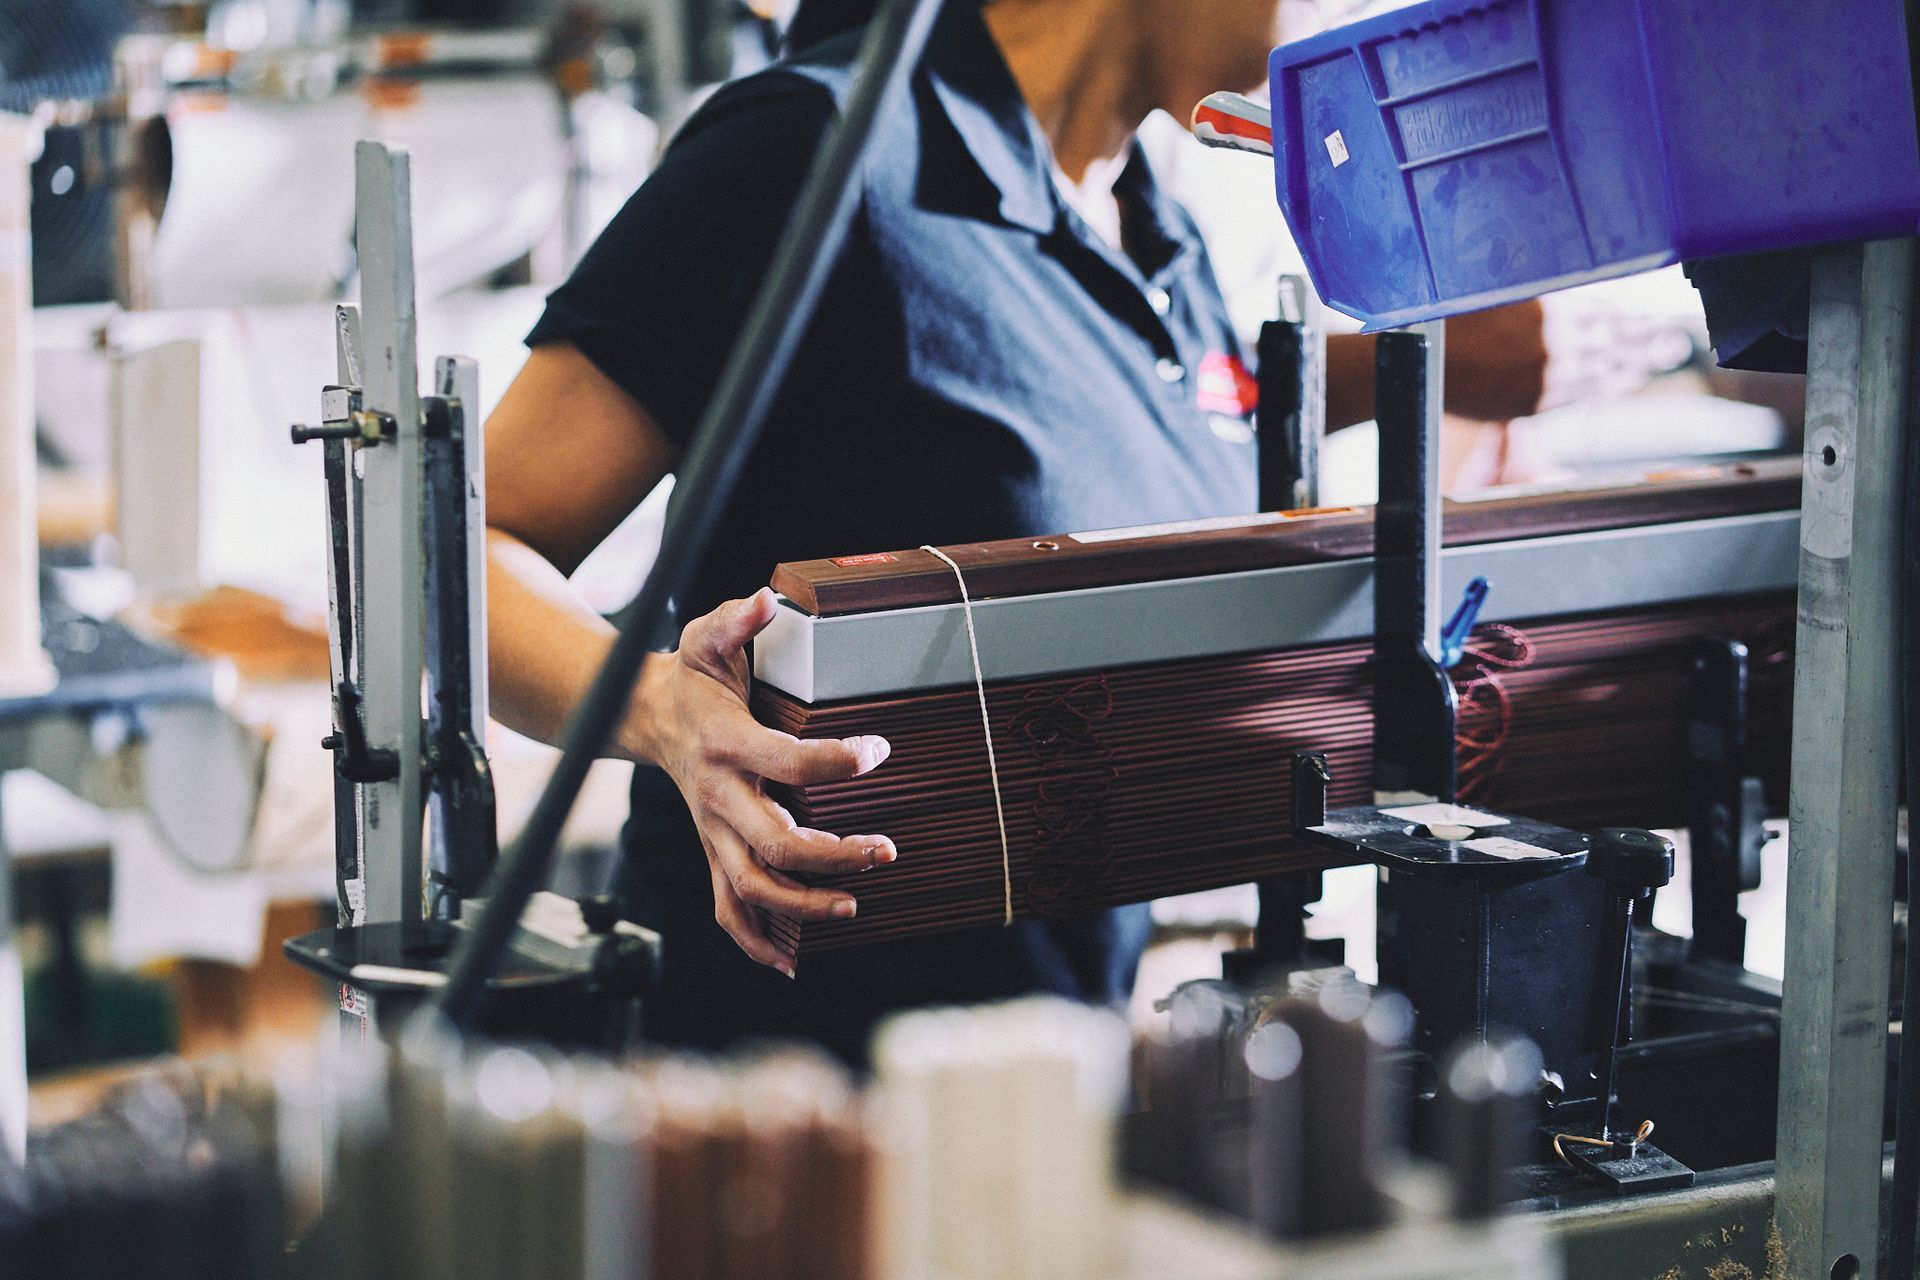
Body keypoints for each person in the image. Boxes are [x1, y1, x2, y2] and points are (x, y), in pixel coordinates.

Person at [482, 0, 1546, 1064]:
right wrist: (662, 707)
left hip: (1039, 1077)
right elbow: (470, 544)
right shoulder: (808, 150)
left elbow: (1132, 452)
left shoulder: (1154, 236)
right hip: (772, 1084)